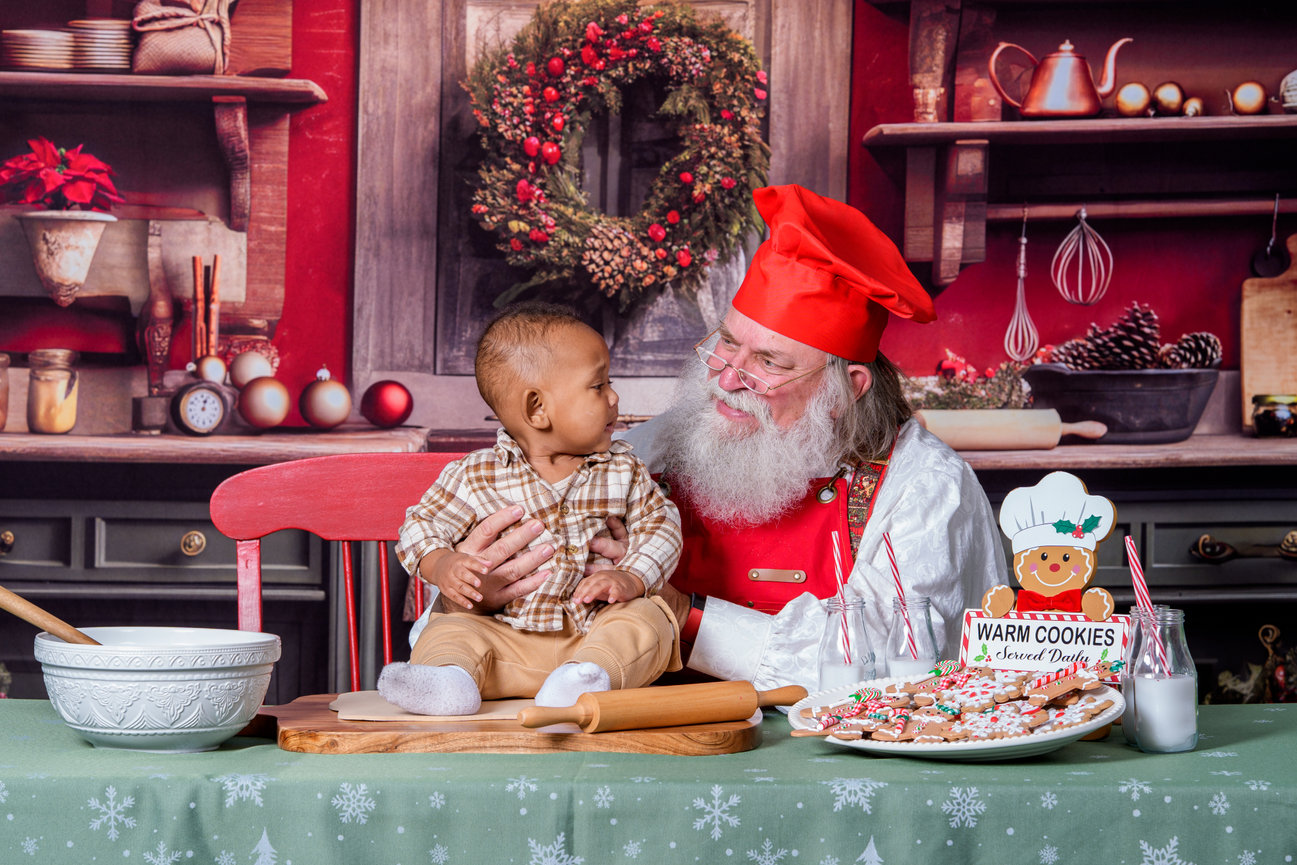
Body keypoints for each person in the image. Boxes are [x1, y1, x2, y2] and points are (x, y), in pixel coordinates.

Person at [409, 184, 1008, 692]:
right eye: (726, 342)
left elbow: (904, 669)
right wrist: (481, 594)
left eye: (767, 362)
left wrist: (684, 614)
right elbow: (476, 633)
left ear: (847, 386)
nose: (726, 378)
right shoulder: (650, 452)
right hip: (638, 744)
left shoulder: (923, 489)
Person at [379, 303, 682, 715]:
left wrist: (631, 576)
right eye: (598, 385)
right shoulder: (476, 475)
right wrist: (441, 563)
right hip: (503, 636)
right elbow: (421, 524)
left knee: (648, 618)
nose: (614, 397)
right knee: (452, 628)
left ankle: (589, 679)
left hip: (591, 632)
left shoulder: (622, 470)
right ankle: (449, 681)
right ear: (537, 409)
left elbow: (662, 525)